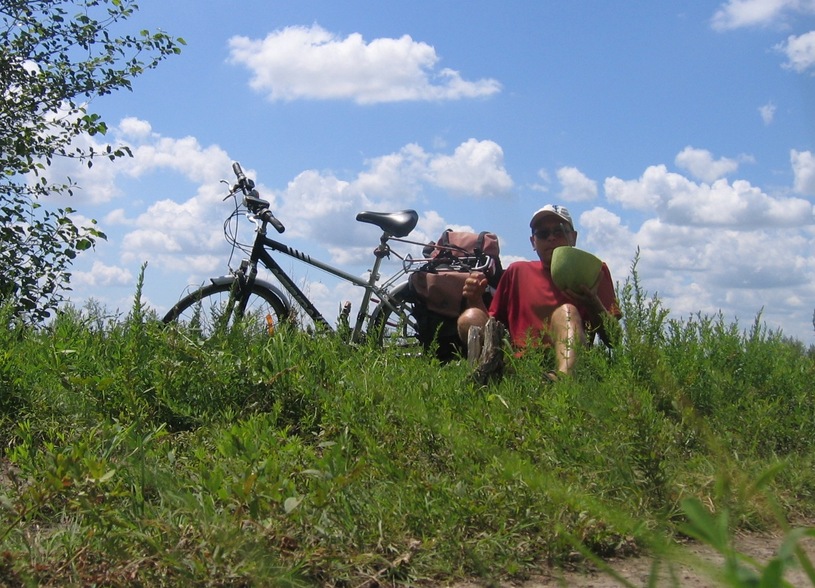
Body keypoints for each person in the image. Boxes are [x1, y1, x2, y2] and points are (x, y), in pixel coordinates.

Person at [457, 204, 621, 383]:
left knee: (566, 312)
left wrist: (592, 302)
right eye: (543, 234)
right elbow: (492, 326)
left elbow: (614, 340)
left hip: (572, 362)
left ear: (573, 238)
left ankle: (561, 381)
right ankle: (488, 377)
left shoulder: (592, 271)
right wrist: (475, 299)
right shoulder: (516, 272)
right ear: (533, 242)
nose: (551, 238)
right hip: (520, 363)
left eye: (559, 231)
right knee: (469, 317)